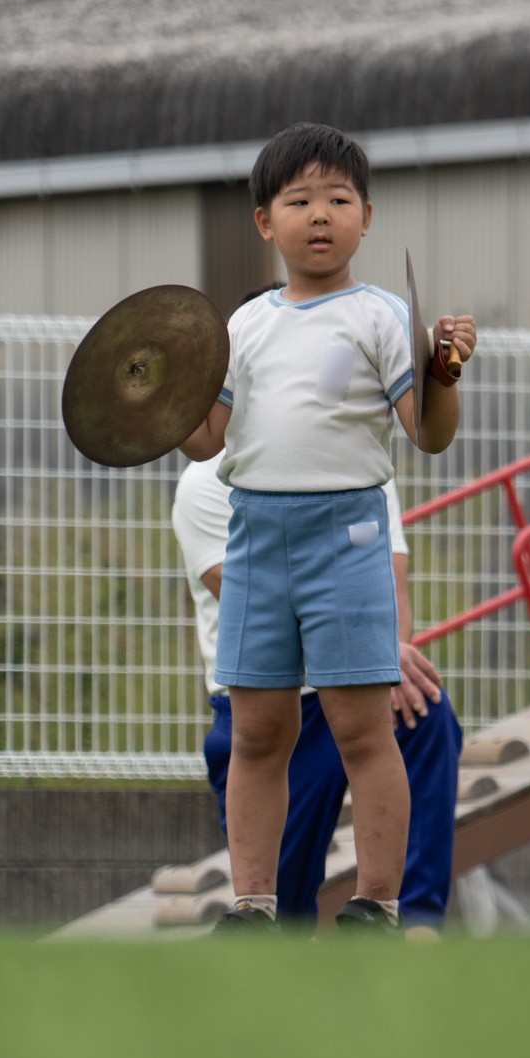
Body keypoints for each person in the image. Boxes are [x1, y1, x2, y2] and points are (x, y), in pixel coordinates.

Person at [179, 122, 474, 933]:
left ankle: (377, 901)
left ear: (366, 218)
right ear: (264, 221)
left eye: (338, 199)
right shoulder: (242, 327)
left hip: (348, 534)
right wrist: (162, 392)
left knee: (361, 726)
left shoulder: (381, 316)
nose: (320, 214)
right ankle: (252, 903)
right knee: (258, 730)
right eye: (299, 199)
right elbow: (206, 439)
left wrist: (445, 370)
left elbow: (430, 432)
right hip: (255, 534)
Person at [171, 439, 463, 931]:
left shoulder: (363, 461)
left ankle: (415, 924)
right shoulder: (204, 484)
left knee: (426, 711)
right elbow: (265, 613)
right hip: (265, 708)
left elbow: (390, 581)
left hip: (353, 683)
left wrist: (385, 654)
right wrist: (374, 651)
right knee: (284, 918)